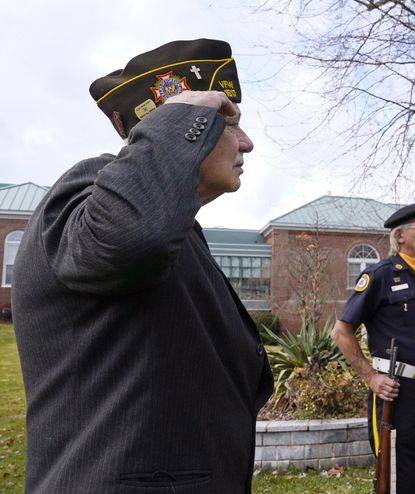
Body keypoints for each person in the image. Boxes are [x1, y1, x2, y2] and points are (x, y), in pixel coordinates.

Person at [12, 39, 273, 492]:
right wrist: (179, 115)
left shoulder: (178, 229)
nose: (246, 142)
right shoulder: (90, 189)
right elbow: (131, 239)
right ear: (172, 125)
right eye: (227, 122)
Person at [331, 203, 415, 494]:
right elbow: (341, 331)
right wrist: (371, 377)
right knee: (397, 476)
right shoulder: (381, 275)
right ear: (399, 235)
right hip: (398, 391)